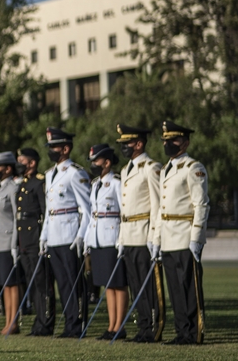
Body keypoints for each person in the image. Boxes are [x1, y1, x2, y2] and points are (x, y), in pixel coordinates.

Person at [157, 121, 209, 345]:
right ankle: (181, 331)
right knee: (175, 288)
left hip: (185, 234)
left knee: (189, 287)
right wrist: (156, 238)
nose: (168, 143)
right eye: (166, 140)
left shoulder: (193, 167)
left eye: (174, 140)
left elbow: (201, 205)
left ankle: (194, 332)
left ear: (185, 143)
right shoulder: (165, 169)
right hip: (168, 236)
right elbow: (162, 207)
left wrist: (196, 238)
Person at [38, 127, 91, 339]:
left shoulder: (75, 173)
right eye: (50, 147)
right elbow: (49, 210)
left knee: (74, 282)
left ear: (66, 148)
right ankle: (69, 323)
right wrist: (44, 236)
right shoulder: (50, 174)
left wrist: (81, 235)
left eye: (54, 147)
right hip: (54, 235)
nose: (51, 150)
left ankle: (77, 324)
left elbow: (87, 209)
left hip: (70, 235)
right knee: (62, 283)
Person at [116, 124, 164, 343]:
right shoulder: (126, 169)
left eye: (127, 143)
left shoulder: (150, 168)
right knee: (136, 285)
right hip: (129, 235)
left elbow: (156, 205)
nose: (124, 147)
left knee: (149, 286)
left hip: (144, 233)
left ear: (139, 144)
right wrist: (121, 239)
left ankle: (154, 326)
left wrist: (154, 237)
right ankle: (143, 326)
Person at [85, 144, 128, 340]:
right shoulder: (95, 184)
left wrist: (122, 239)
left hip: (112, 237)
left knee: (119, 283)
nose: (94, 164)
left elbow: (124, 212)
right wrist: (87, 238)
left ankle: (120, 325)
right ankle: (111, 325)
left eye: (97, 161)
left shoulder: (117, 182)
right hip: (98, 238)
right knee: (107, 284)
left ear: (107, 162)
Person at [14, 147, 54, 335]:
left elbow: (44, 211)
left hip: (35, 236)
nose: (18, 163)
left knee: (42, 282)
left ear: (31, 163)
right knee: (32, 281)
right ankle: (39, 321)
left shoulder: (39, 183)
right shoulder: (23, 184)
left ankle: (46, 321)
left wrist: (44, 236)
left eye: (22, 160)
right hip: (24, 238)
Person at [0, 152, 21, 335]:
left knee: (11, 283)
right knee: (4, 284)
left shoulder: (13, 189)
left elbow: (16, 218)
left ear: (8, 168)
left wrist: (15, 243)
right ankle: (8, 320)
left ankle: (13, 321)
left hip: (8, 241)